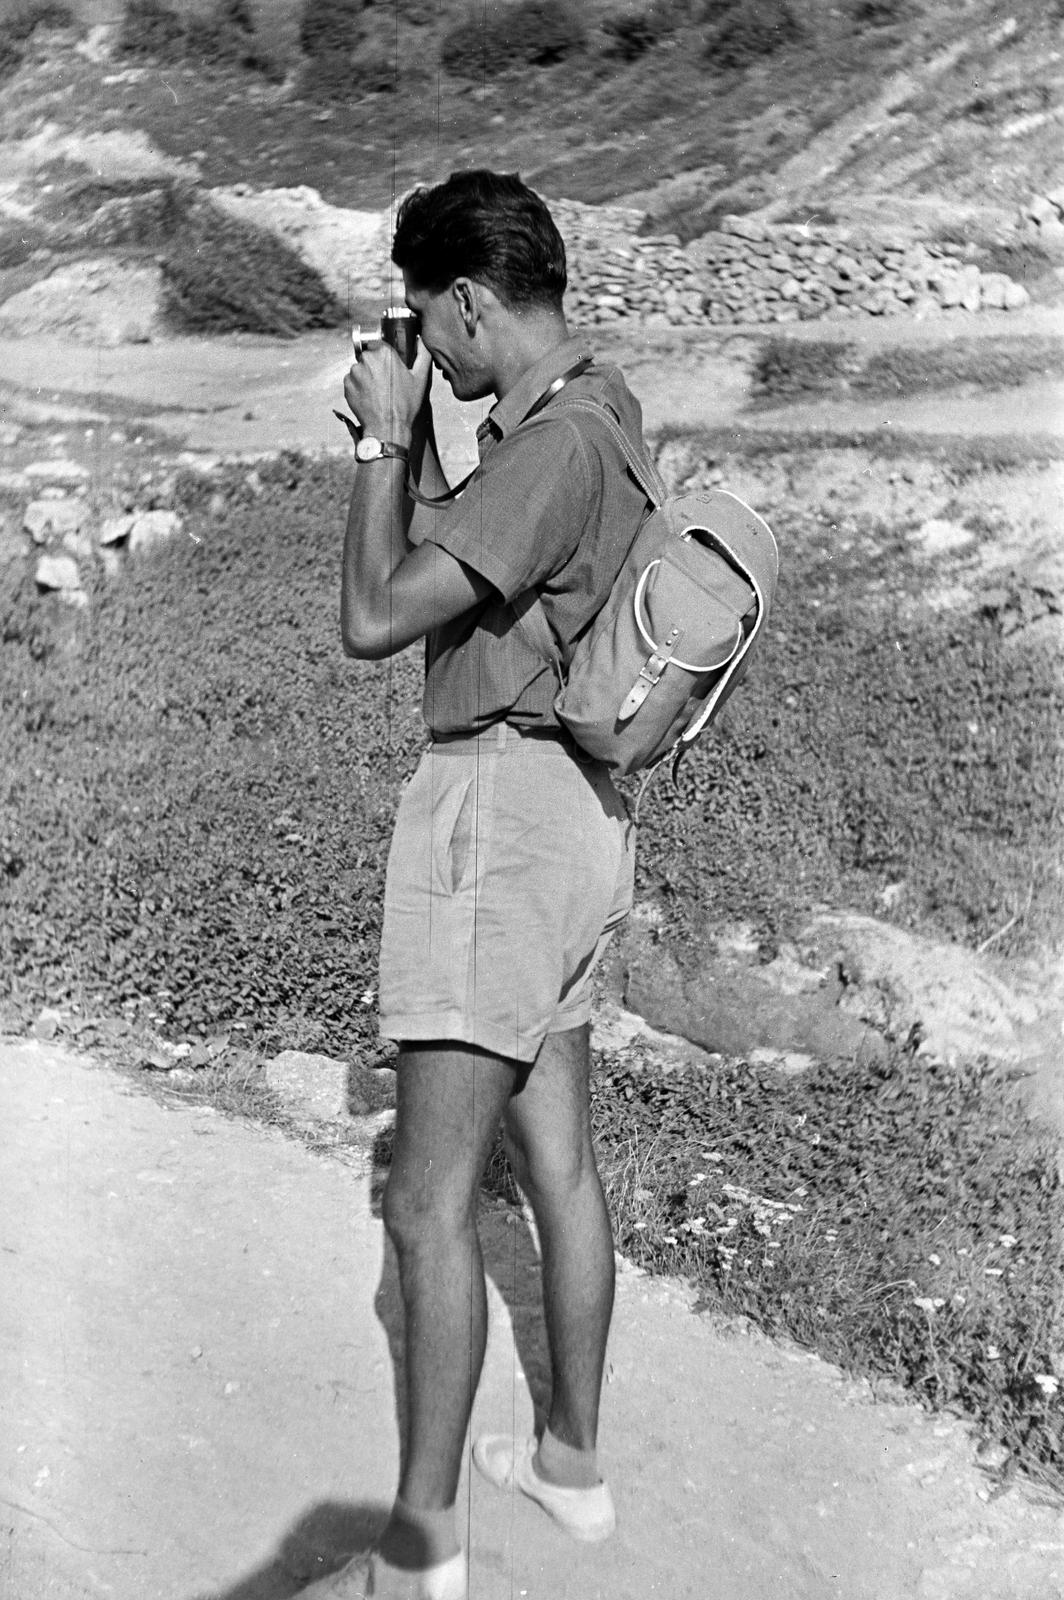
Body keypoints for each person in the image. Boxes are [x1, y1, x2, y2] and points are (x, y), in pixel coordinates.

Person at [305, 171, 651, 1600]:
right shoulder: (603, 415)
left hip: (494, 822)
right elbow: (492, 564)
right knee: (557, 1163)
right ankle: (570, 1467)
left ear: (464, 299)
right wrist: (440, 434)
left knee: (425, 1203)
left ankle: (418, 1558)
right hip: (575, 825)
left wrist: (382, 449)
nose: (431, 359)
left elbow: (375, 619)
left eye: (436, 332)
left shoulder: (549, 447)